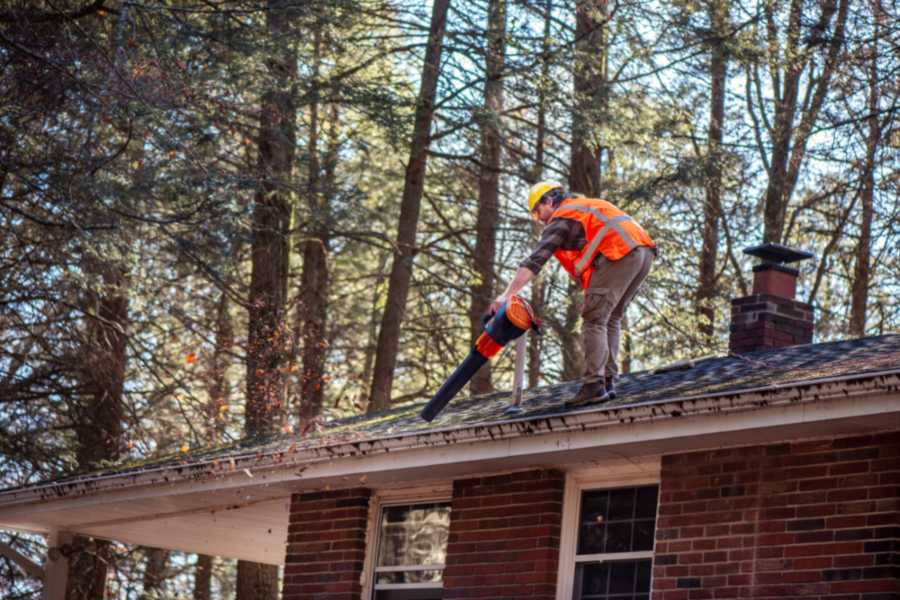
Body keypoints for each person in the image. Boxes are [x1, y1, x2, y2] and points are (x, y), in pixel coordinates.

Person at [489, 181, 656, 405]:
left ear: (549, 200)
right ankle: (607, 381)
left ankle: (593, 385)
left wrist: (507, 295)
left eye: (538, 211)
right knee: (610, 318)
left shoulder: (563, 217)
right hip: (643, 253)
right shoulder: (581, 209)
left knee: (594, 319)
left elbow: (535, 260)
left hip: (620, 252)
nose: (539, 219)